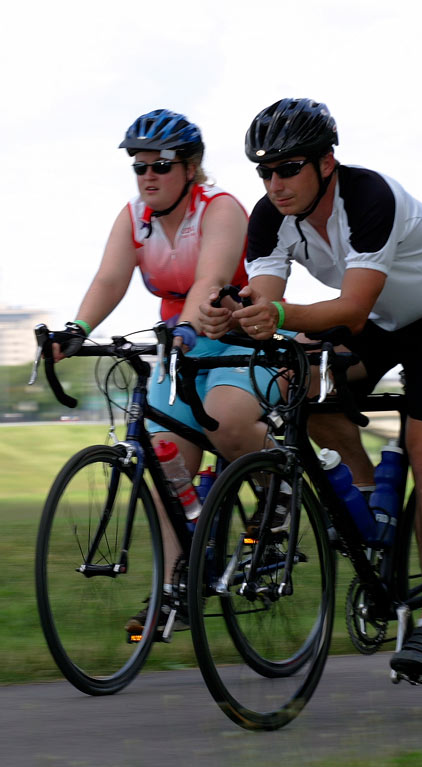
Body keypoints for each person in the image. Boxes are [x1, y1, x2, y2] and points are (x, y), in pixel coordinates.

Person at [199, 98, 422, 679]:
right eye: (264, 171)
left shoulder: (369, 197)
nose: (275, 183)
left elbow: (351, 309)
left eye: (288, 168)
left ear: (326, 162)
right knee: (298, 388)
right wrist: (232, 315)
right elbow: (266, 300)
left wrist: (277, 312)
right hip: (385, 321)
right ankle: (368, 510)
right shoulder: (269, 218)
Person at [56, 108, 277, 632]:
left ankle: (277, 498)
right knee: (162, 459)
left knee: (226, 420)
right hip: (179, 345)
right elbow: (110, 279)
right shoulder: (134, 218)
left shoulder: (220, 210)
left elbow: (211, 278)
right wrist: (75, 330)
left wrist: (190, 326)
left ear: (192, 167)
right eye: (139, 166)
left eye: (162, 164)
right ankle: (180, 581)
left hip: (235, 337)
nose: (148, 175)